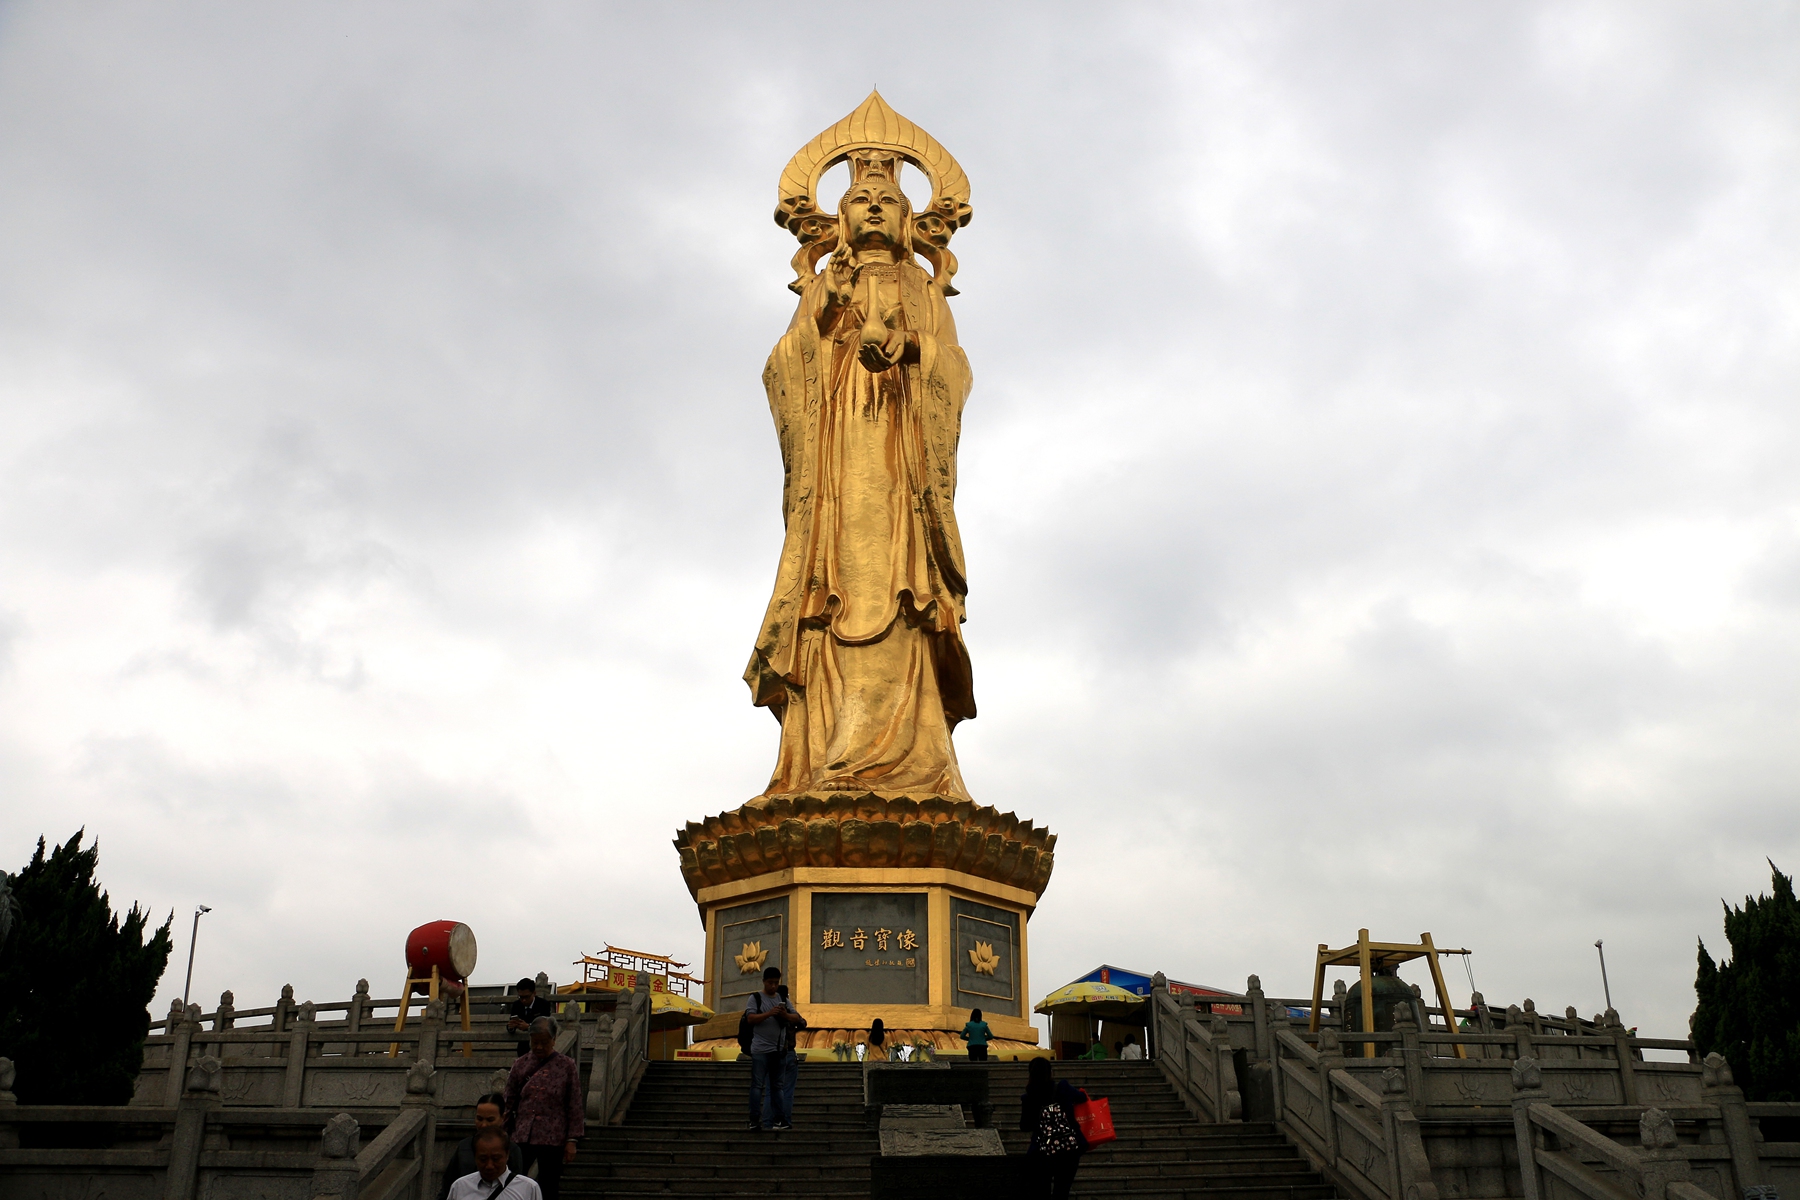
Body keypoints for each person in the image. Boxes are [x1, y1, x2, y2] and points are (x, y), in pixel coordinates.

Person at [745, 143, 978, 801]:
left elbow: (954, 372)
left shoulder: (920, 290)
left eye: (887, 200)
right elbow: (784, 367)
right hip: (838, 467)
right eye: (861, 199)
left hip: (900, 467)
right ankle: (819, 760)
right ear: (839, 218)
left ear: (909, 220)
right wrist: (823, 315)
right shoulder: (824, 287)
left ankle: (916, 762)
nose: (874, 206)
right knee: (828, 595)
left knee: (905, 594)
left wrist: (910, 350)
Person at [504, 1017, 582, 1200]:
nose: (538, 1047)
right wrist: (504, 1133)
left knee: (549, 1184)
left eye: (544, 1042)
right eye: (535, 1042)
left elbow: (575, 1104)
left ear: (554, 1040)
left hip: (553, 1136)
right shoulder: (520, 1064)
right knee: (515, 1180)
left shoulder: (567, 1066)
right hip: (522, 1133)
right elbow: (509, 1100)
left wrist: (572, 1140)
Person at [1019, 1057, 1086, 1199]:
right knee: (1062, 1192)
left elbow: (1024, 1126)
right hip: (1068, 1149)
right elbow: (1082, 1098)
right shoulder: (1062, 1087)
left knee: (1042, 1192)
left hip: (1042, 1151)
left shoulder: (1028, 1097)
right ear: (1050, 1072)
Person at [439, 1093, 524, 1199]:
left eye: (490, 1120)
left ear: (503, 1118)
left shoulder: (512, 1150)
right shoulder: (464, 1147)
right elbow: (448, 1184)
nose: (483, 1125)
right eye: (479, 1119)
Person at [744, 966, 796, 1131]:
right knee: (757, 1085)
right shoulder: (756, 998)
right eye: (770, 983)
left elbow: (797, 1017)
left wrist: (784, 1015)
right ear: (764, 982)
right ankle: (754, 1120)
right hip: (760, 1050)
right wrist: (769, 1013)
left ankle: (779, 1120)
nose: (773, 986)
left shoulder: (783, 999)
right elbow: (750, 1018)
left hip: (779, 1050)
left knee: (777, 1087)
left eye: (775, 983)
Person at [445, 1128, 541, 1200]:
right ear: (475, 1156)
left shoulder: (529, 1188)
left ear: (507, 1155)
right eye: (483, 1159)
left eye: (496, 1159)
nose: (489, 1166)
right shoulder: (460, 1187)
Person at [775, 983, 807, 1127]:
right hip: (788, 1053)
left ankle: (773, 1120)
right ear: (787, 996)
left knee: (773, 1090)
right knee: (787, 1091)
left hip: (773, 1054)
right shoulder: (790, 1013)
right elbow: (803, 1023)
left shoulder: (771, 1010)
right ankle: (785, 1120)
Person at [508, 978, 554, 1056]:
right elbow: (510, 1025)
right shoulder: (516, 1005)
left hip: (541, 1045)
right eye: (521, 997)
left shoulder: (543, 1004)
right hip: (523, 1046)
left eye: (527, 997)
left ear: (534, 993)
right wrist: (511, 1026)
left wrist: (529, 1027)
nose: (524, 1000)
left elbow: (545, 1025)